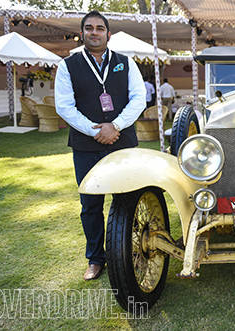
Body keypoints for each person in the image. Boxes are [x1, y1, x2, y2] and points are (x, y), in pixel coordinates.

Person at [54, 10, 146, 281]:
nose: (94, 32)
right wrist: (96, 130)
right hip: (87, 144)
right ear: (82, 32)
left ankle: (129, 252)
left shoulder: (126, 63)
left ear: (108, 33)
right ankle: (96, 259)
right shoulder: (68, 65)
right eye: (89, 28)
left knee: (127, 199)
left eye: (99, 28)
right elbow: (64, 106)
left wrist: (115, 126)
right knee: (90, 205)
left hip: (122, 141)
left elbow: (139, 98)